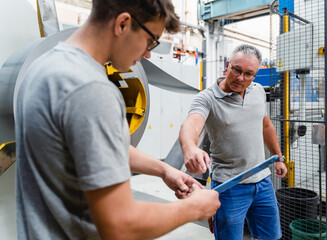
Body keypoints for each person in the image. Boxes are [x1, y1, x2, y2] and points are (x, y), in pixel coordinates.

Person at [14, 0, 220, 239]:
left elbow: (98, 147)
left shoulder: (43, 67)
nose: (148, 53)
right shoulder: (91, 88)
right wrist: (194, 208)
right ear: (123, 23)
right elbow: (120, 224)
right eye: (151, 40)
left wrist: (164, 170)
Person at [179, 44, 287, 240]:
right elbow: (191, 125)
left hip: (262, 180)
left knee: (271, 237)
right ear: (227, 65)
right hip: (229, 185)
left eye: (248, 74)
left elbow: (266, 126)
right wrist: (190, 148)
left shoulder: (258, 92)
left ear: (255, 75)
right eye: (237, 70)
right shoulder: (207, 98)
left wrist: (277, 157)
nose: (240, 78)